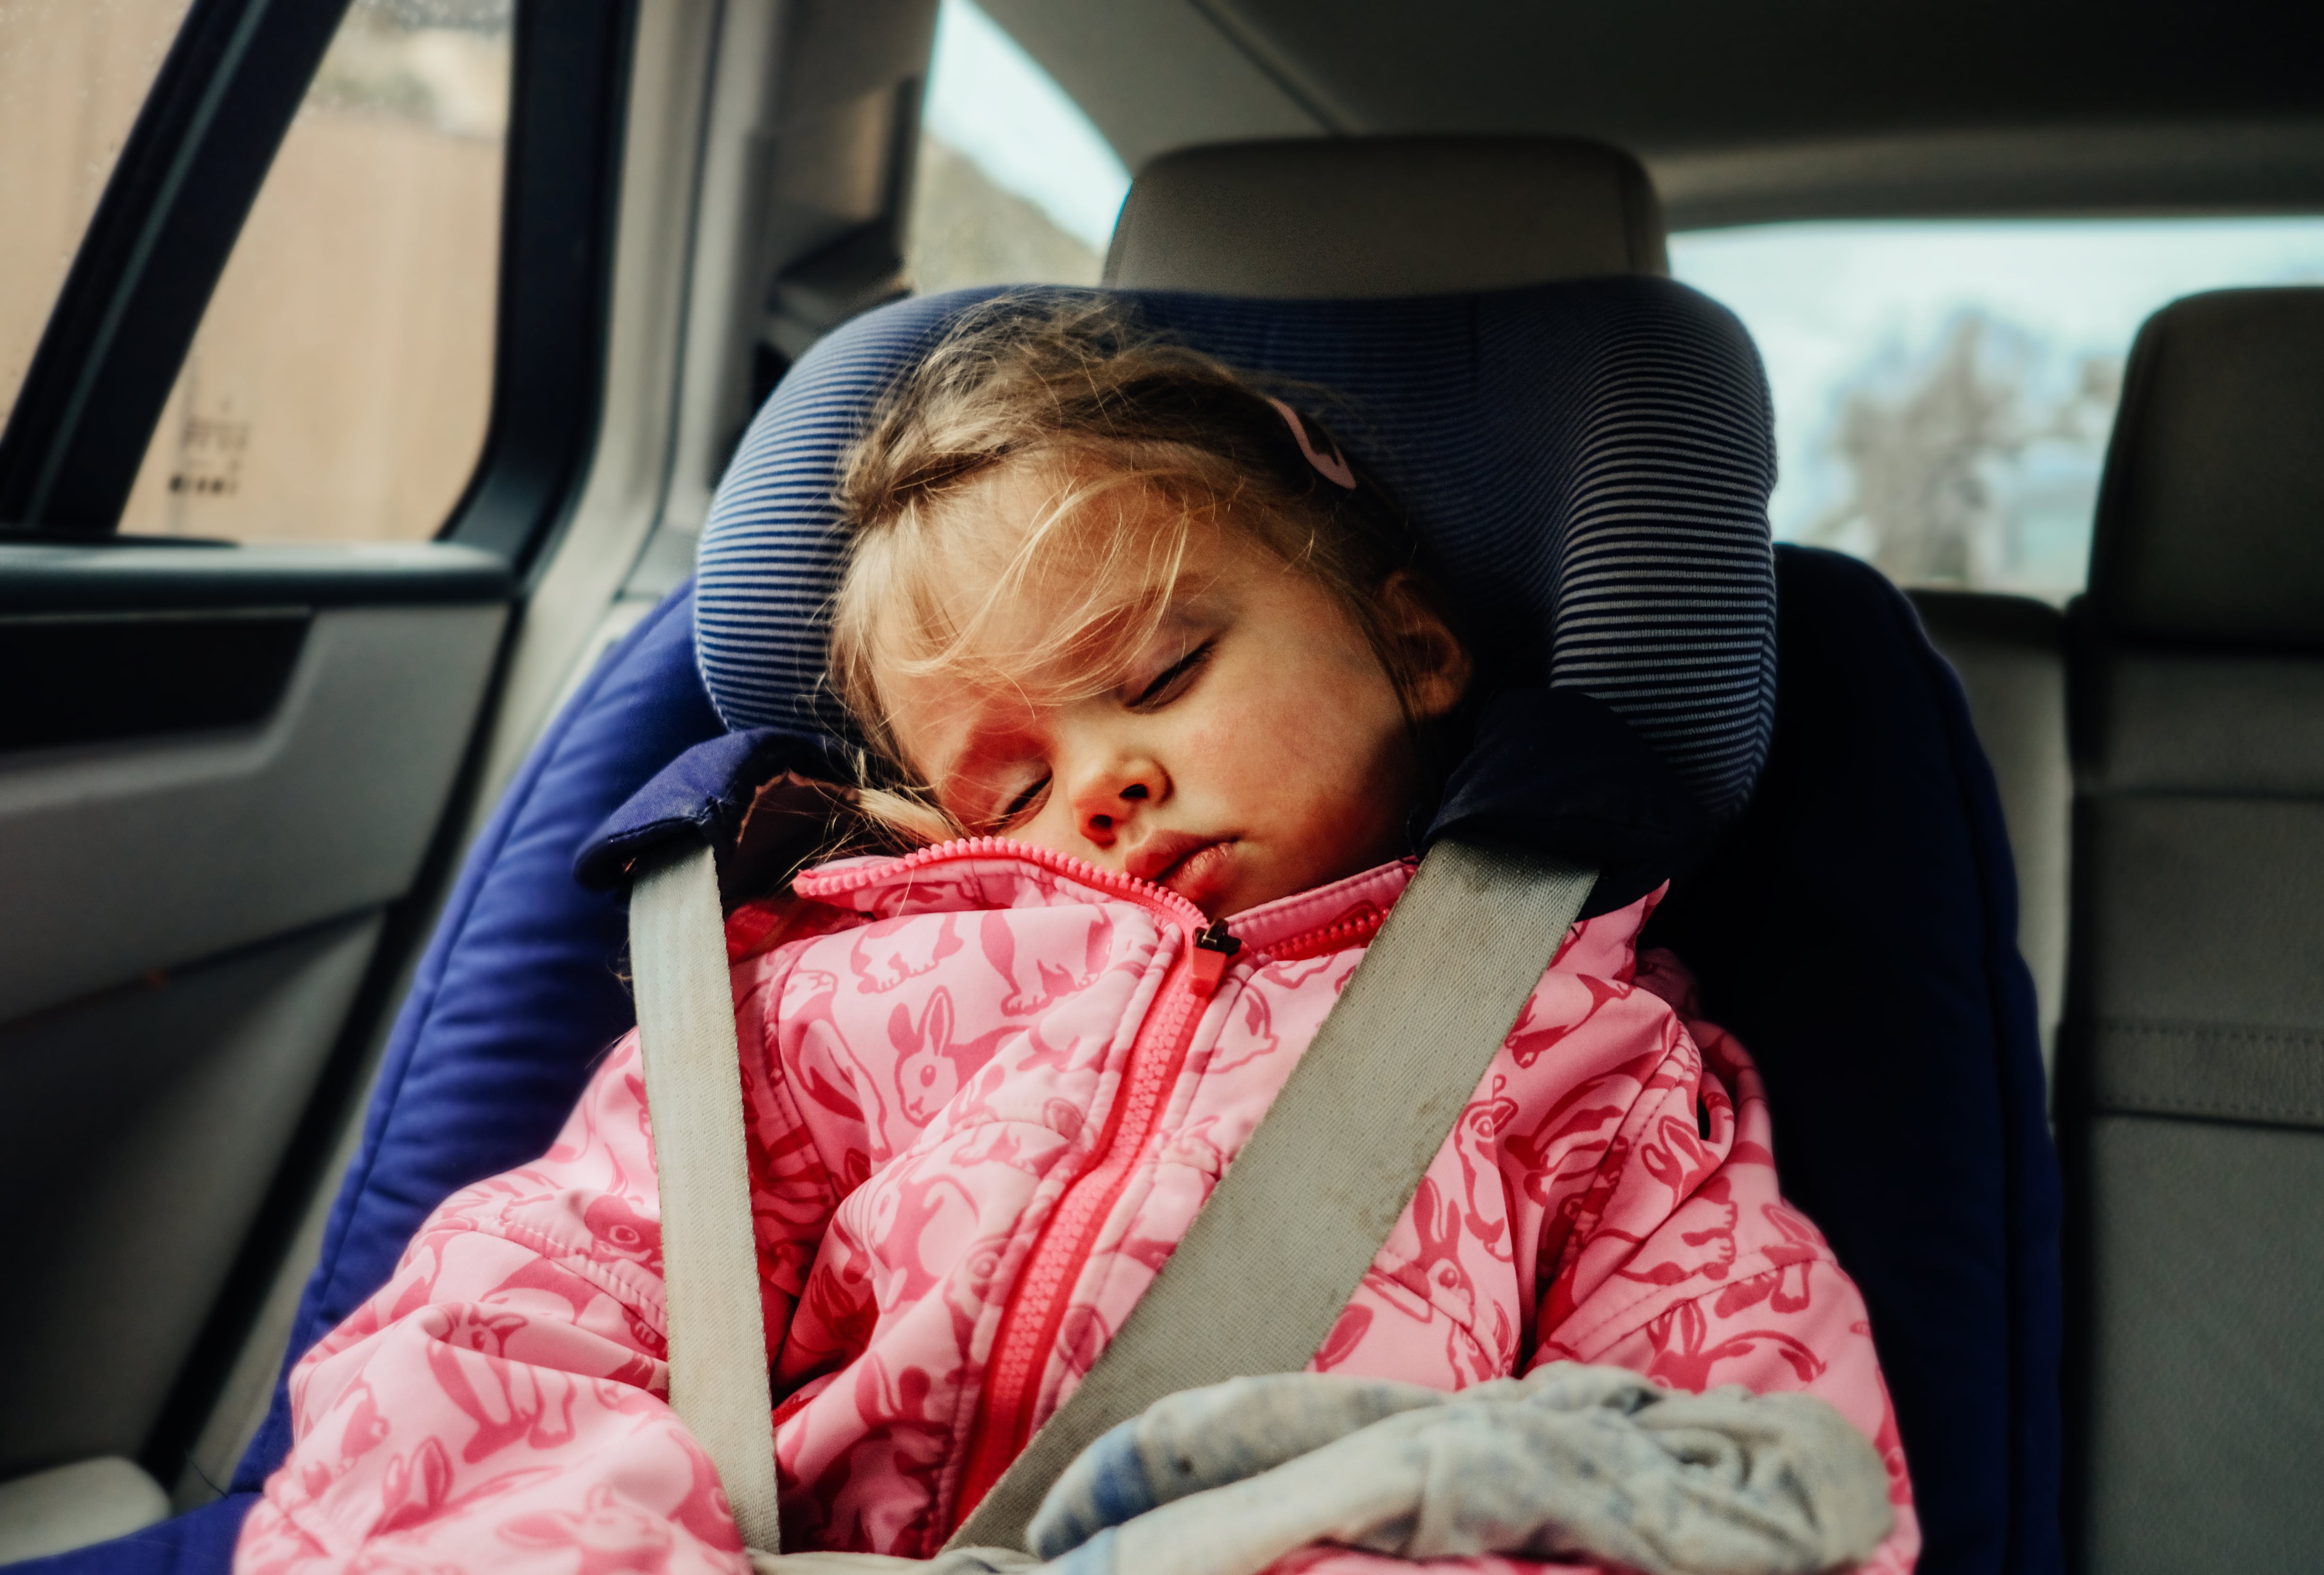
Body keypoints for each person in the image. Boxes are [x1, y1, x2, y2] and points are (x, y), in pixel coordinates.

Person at [235, 303, 1920, 1575]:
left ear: (1415, 645)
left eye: (1164, 676)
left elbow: (1746, 1460)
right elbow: (517, 1333)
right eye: (1019, 779)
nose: (1109, 784)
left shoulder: (1589, 1059)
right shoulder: (828, 1002)